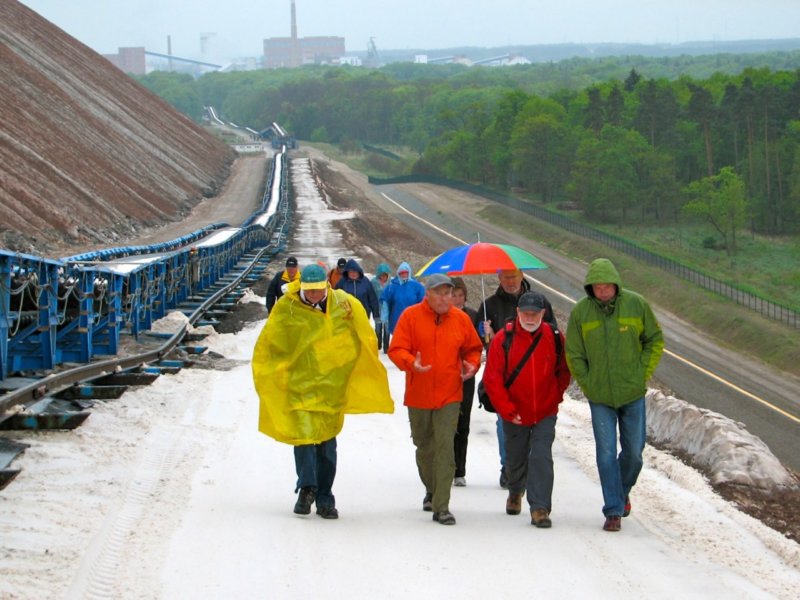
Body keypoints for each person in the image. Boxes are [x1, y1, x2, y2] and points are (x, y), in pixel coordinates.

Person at [252, 264, 394, 519]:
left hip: (331, 386)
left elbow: (360, 337)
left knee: (327, 444)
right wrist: (278, 373)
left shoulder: (344, 305)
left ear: (326, 286)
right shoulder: (288, 307)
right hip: (300, 386)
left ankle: (326, 496)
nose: (315, 295)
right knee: (304, 438)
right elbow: (271, 344)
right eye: (311, 291)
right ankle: (307, 487)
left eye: (319, 290)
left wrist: (346, 364)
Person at [565, 258, 664, 532]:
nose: (603, 291)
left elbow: (654, 339)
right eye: (598, 287)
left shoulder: (636, 304)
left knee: (634, 453)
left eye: (607, 286)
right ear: (590, 288)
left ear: (616, 285)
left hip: (632, 392)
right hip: (600, 397)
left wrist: (642, 372)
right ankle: (613, 510)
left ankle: (621, 491)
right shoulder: (581, 313)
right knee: (606, 453)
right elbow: (574, 352)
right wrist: (588, 383)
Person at [388, 274, 483, 526]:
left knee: (445, 447)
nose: (445, 298)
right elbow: (396, 350)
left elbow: (474, 349)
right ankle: (431, 489)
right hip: (418, 394)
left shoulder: (461, 319)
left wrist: (471, 365)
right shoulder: (410, 317)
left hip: (450, 394)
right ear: (427, 294)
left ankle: (442, 506)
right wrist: (411, 364)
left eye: (448, 293)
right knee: (424, 446)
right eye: (439, 293)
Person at [482, 291, 570, 528]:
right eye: (526, 313)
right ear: (518, 312)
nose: (530, 317)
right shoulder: (503, 339)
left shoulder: (554, 337)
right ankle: (515, 490)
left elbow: (563, 370)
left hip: (545, 410)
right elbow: (492, 379)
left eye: (535, 313)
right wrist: (507, 409)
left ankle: (540, 507)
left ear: (543, 314)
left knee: (541, 455)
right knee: (515, 455)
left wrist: (555, 396)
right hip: (514, 411)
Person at [475, 268, 557, 488]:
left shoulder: (541, 303)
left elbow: (552, 335)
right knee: (506, 426)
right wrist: (487, 335)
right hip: (506, 379)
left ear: (522, 277)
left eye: (514, 277)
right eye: (506, 278)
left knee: (535, 431)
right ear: (499, 279)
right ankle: (509, 468)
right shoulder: (488, 306)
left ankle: (524, 468)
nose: (510, 282)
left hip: (535, 379)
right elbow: (480, 340)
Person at [450, 277, 478, 487]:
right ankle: (446, 465)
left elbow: (478, 346)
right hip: (448, 375)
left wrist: (486, 333)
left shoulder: (473, 316)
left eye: (461, 296)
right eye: (454, 295)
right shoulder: (443, 317)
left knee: (463, 422)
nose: (458, 299)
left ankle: (460, 469)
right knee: (446, 422)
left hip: (467, 376)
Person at [381, 261, 425, 335]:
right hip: (396, 318)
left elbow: (423, 301)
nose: (404, 274)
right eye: (402, 273)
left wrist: (423, 318)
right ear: (398, 273)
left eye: (406, 272)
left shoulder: (417, 286)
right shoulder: (392, 286)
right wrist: (384, 317)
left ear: (409, 273)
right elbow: (385, 300)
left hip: (413, 319)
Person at [335, 258, 380, 322]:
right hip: (347, 317)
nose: (353, 273)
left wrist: (376, 316)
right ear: (347, 272)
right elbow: (335, 298)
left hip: (363, 316)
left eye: (355, 271)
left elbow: (373, 299)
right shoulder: (342, 282)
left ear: (359, 271)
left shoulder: (365, 281)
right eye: (351, 271)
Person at [370, 262, 393, 352]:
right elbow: (371, 294)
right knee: (378, 328)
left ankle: (386, 347)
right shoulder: (374, 282)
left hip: (387, 309)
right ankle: (378, 344)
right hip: (377, 308)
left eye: (385, 275)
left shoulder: (391, 282)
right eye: (382, 275)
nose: (383, 277)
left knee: (387, 329)